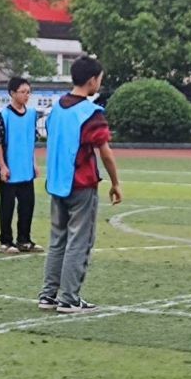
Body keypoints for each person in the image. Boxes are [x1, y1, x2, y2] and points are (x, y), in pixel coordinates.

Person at [38, 56, 123, 314]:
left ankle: (49, 295)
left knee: (58, 240)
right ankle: (69, 298)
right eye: (100, 79)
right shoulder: (90, 114)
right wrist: (115, 182)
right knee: (79, 241)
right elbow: (105, 152)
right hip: (81, 184)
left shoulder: (56, 109)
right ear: (91, 81)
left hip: (56, 182)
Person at [0, 76, 42, 254]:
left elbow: (31, 142)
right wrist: (3, 166)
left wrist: (34, 164)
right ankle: (6, 241)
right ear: (12, 93)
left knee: (27, 205)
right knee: (7, 206)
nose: (26, 95)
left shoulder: (31, 115)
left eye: (28, 92)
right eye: (23, 92)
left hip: (26, 169)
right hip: (10, 169)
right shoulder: (3, 116)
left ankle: (24, 240)